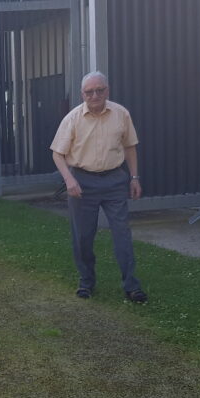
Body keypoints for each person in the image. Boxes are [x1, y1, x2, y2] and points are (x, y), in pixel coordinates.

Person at [50, 71, 148, 303]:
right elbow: (57, 153)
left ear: (107, 90)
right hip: (82, 182)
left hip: (115, 180)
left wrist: (134, 177)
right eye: (89, 92)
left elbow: (130, 147)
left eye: (99, 90)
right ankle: (86, 281)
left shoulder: (121, 114)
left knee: (122, 234)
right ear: (82, 93)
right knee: (83, 236)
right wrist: (69, 180)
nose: (94, 95)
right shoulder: (73, 118)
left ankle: (131, 285)